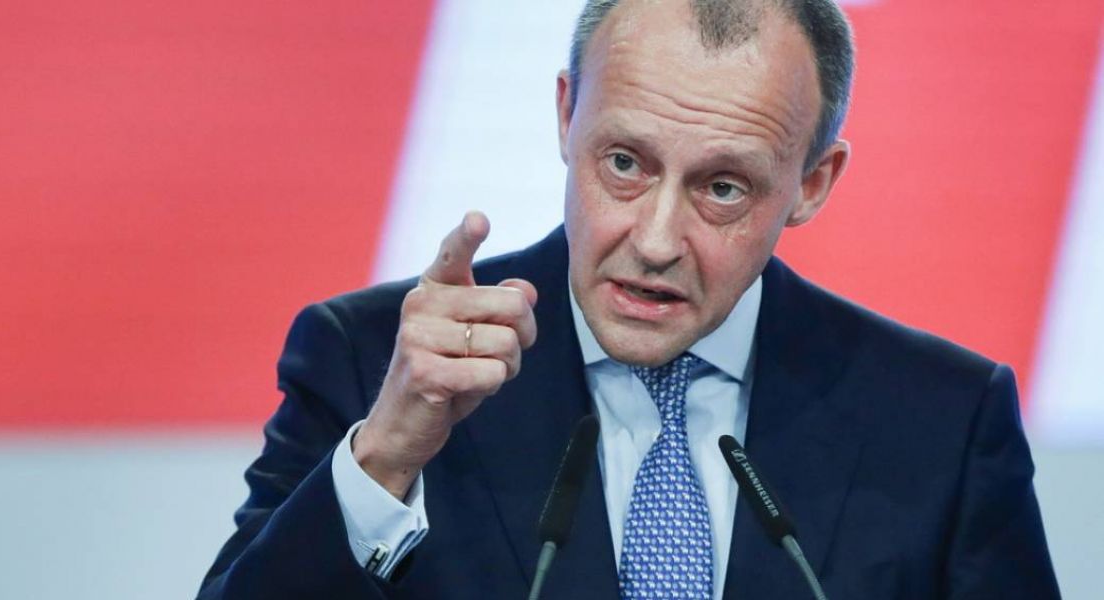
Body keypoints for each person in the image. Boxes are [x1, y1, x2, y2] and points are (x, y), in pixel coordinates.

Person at [198, 0, 1059, 598]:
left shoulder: (942, 420)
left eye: (722, 187)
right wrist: (385, 459)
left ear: (811, 183)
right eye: (624, 163)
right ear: (566, 114)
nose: (655, 239)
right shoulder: (373, 363)